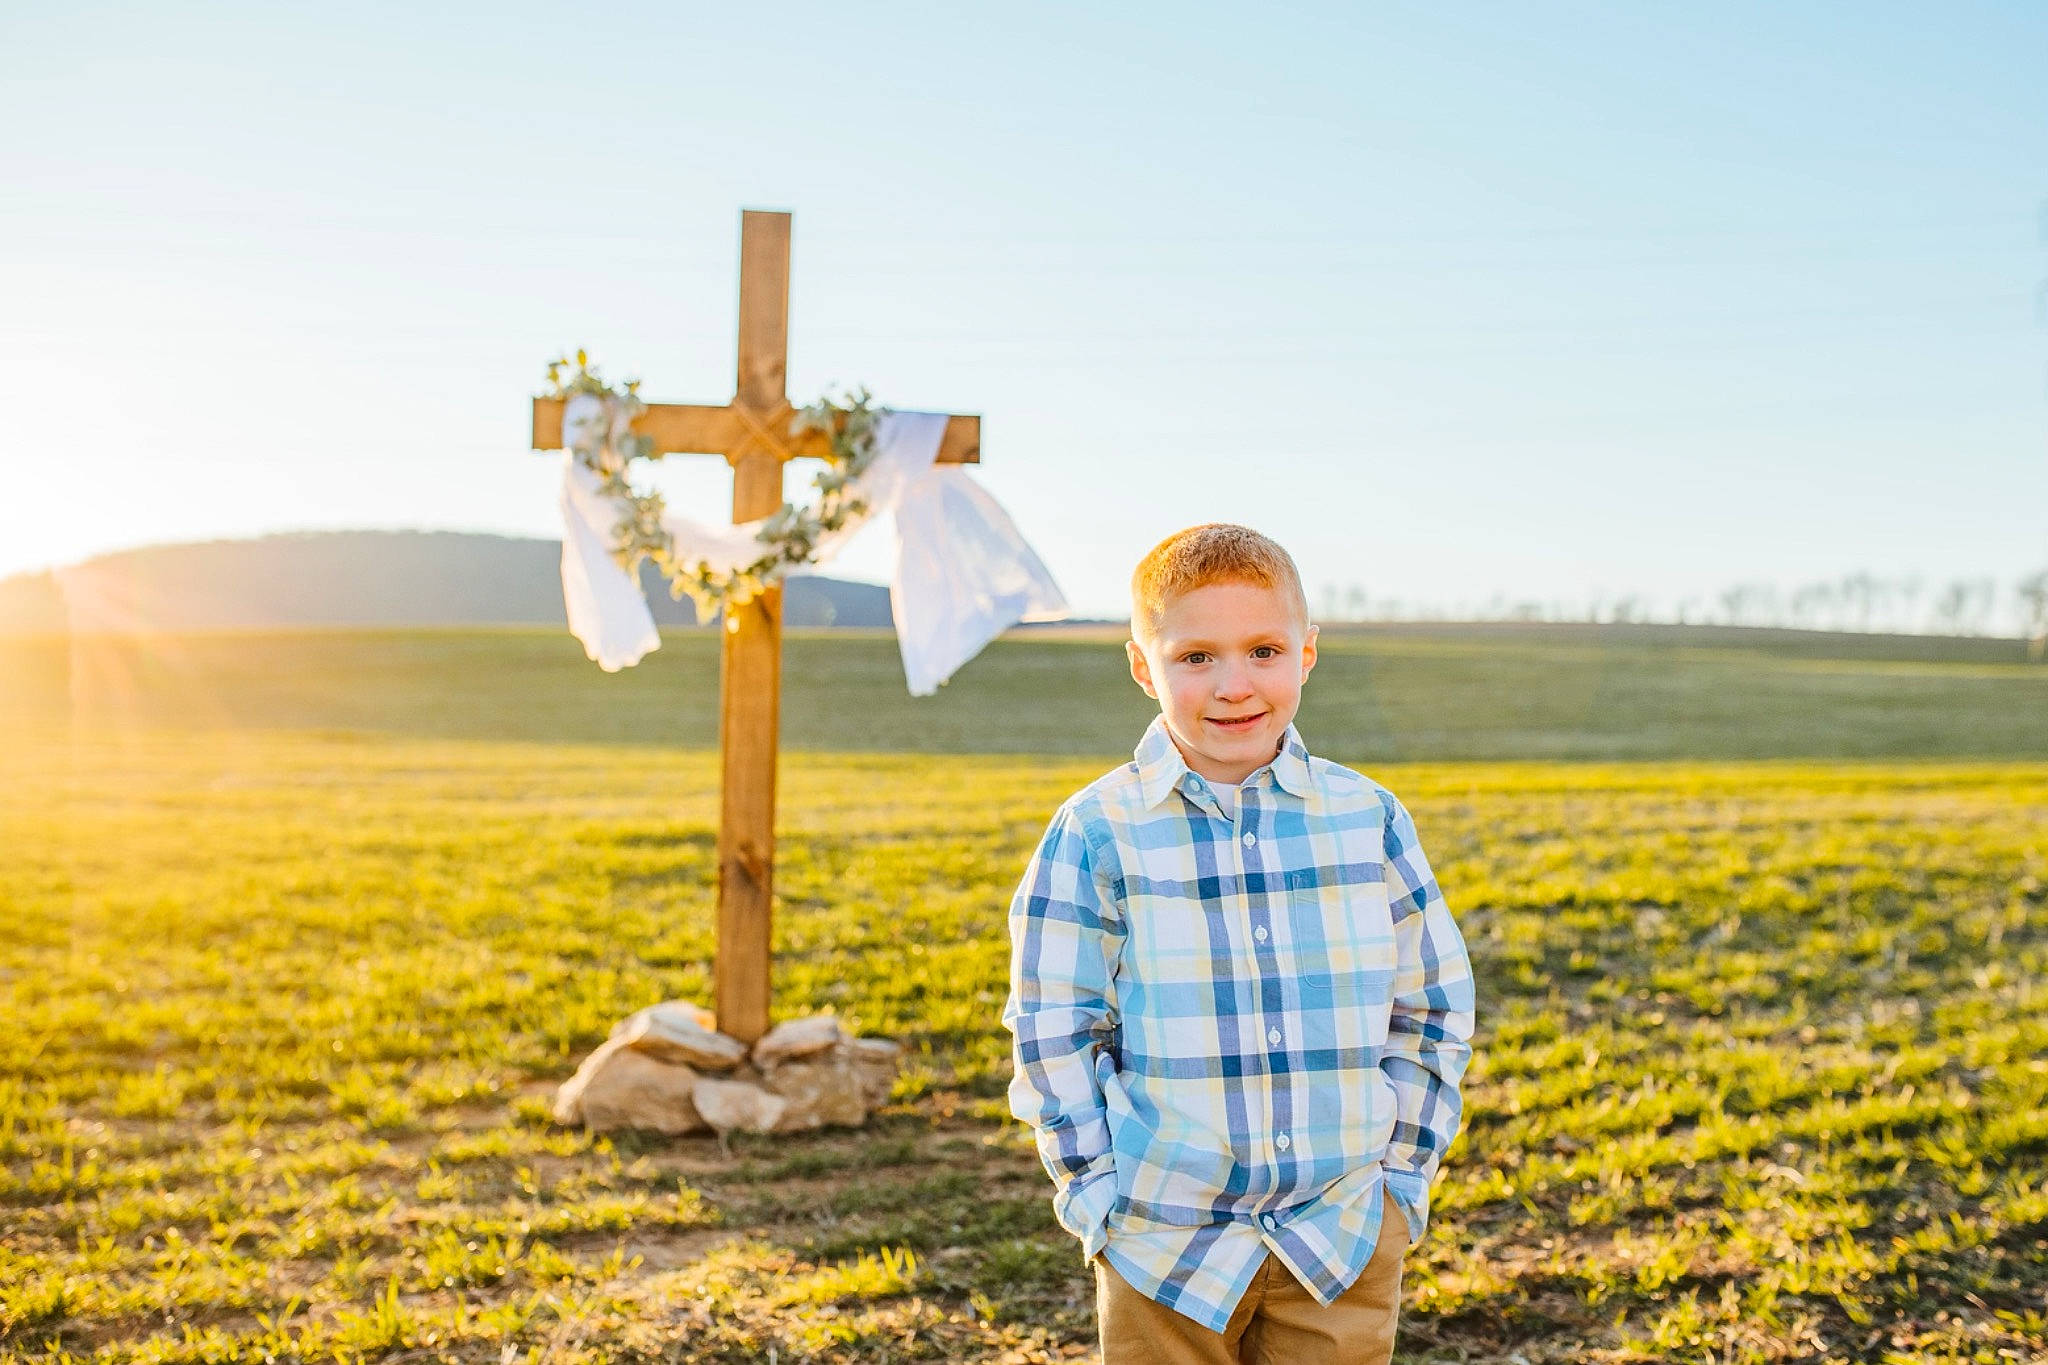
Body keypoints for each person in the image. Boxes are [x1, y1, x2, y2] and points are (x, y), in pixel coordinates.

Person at [1003, 524, 1476, 1364]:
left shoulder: (1366, 819)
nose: (1234, 685)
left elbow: (1430, 1005)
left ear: (1307, 653)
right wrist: (1097, 1197)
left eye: (1263, 649)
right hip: (1162, 1243)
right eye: (1195, 657)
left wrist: (1402, 1180)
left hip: (1341, 1233)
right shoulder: (1097, 831)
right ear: (1146, 667)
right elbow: (1055, 1028)